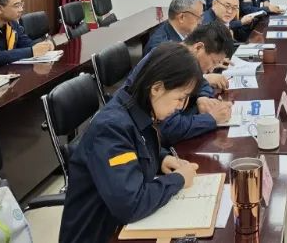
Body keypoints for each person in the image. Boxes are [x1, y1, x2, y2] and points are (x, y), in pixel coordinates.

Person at [59, 42, 202, 243]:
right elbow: (131, 204)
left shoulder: (136, 106)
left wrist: (161, 158)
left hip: (121, 226)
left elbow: (134, 146)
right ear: (157, 88)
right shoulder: (111, 128)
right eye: (180, 98)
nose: (181, 107)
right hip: (100, 235)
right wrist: (178, 179)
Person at [126, 22, 234, 146]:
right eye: (214, 62)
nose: (211, 69)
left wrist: (202, 97)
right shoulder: (170, 64)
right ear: (198, 48)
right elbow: (168, 128)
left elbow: (202, 81)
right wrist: (211, 119)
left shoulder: (181, 55)